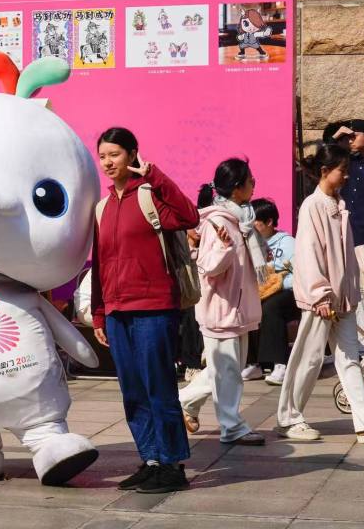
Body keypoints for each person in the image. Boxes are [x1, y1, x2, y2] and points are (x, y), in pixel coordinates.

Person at [91, 127, 199, 494]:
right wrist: (99, 312)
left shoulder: (150, 195)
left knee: (159, 387)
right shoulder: (102, 207)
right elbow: (100, 263)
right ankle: (151, 460)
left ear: (133, 154)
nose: (108, 162)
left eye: (115, 155)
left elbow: (189, 215)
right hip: (117, 311)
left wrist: (154, 175)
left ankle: (172, 464)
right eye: (103, 156)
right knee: (133, 391)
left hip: (154, 308)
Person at [276, 143, 364, 444]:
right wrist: (320, 295)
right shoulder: (313, 206)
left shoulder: (339, 205)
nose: (346, 176)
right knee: (309, 359)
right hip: (321, 301)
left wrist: (350, 292)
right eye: (342, 170)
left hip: (343, 300)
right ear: (324, 171)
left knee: (349, 360)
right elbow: (308, 255)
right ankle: (289, 419)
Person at [179, 158, 266, 446]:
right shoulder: (218, 221)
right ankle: (232, 427)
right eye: (250, 181)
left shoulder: (240, 220)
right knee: (228, 373)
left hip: (236, 308)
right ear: (237, 187)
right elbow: (209, 267)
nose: (254, 185)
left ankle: (183, 401)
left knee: (225, 370)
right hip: (221, 309)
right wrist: (227, 248)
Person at [243, 197, 299, 386]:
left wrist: (277, 283)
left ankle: (280, 364)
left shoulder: (288, 243)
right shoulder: (249, 243)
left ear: (269, 222)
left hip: (289, 292)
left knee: (271, 307)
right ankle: (253, 364)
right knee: (249, 305)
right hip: (261, 292)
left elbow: (300, 273)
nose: (251, 227)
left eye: (255, 222)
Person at [334, 120, 364, 335]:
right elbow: (326, 156)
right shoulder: (347, 163)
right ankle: (362, 342)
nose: (350, 140)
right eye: (348, 138)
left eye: (354, 136)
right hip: (345, 237)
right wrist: (337, 137)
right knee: (353, 291)